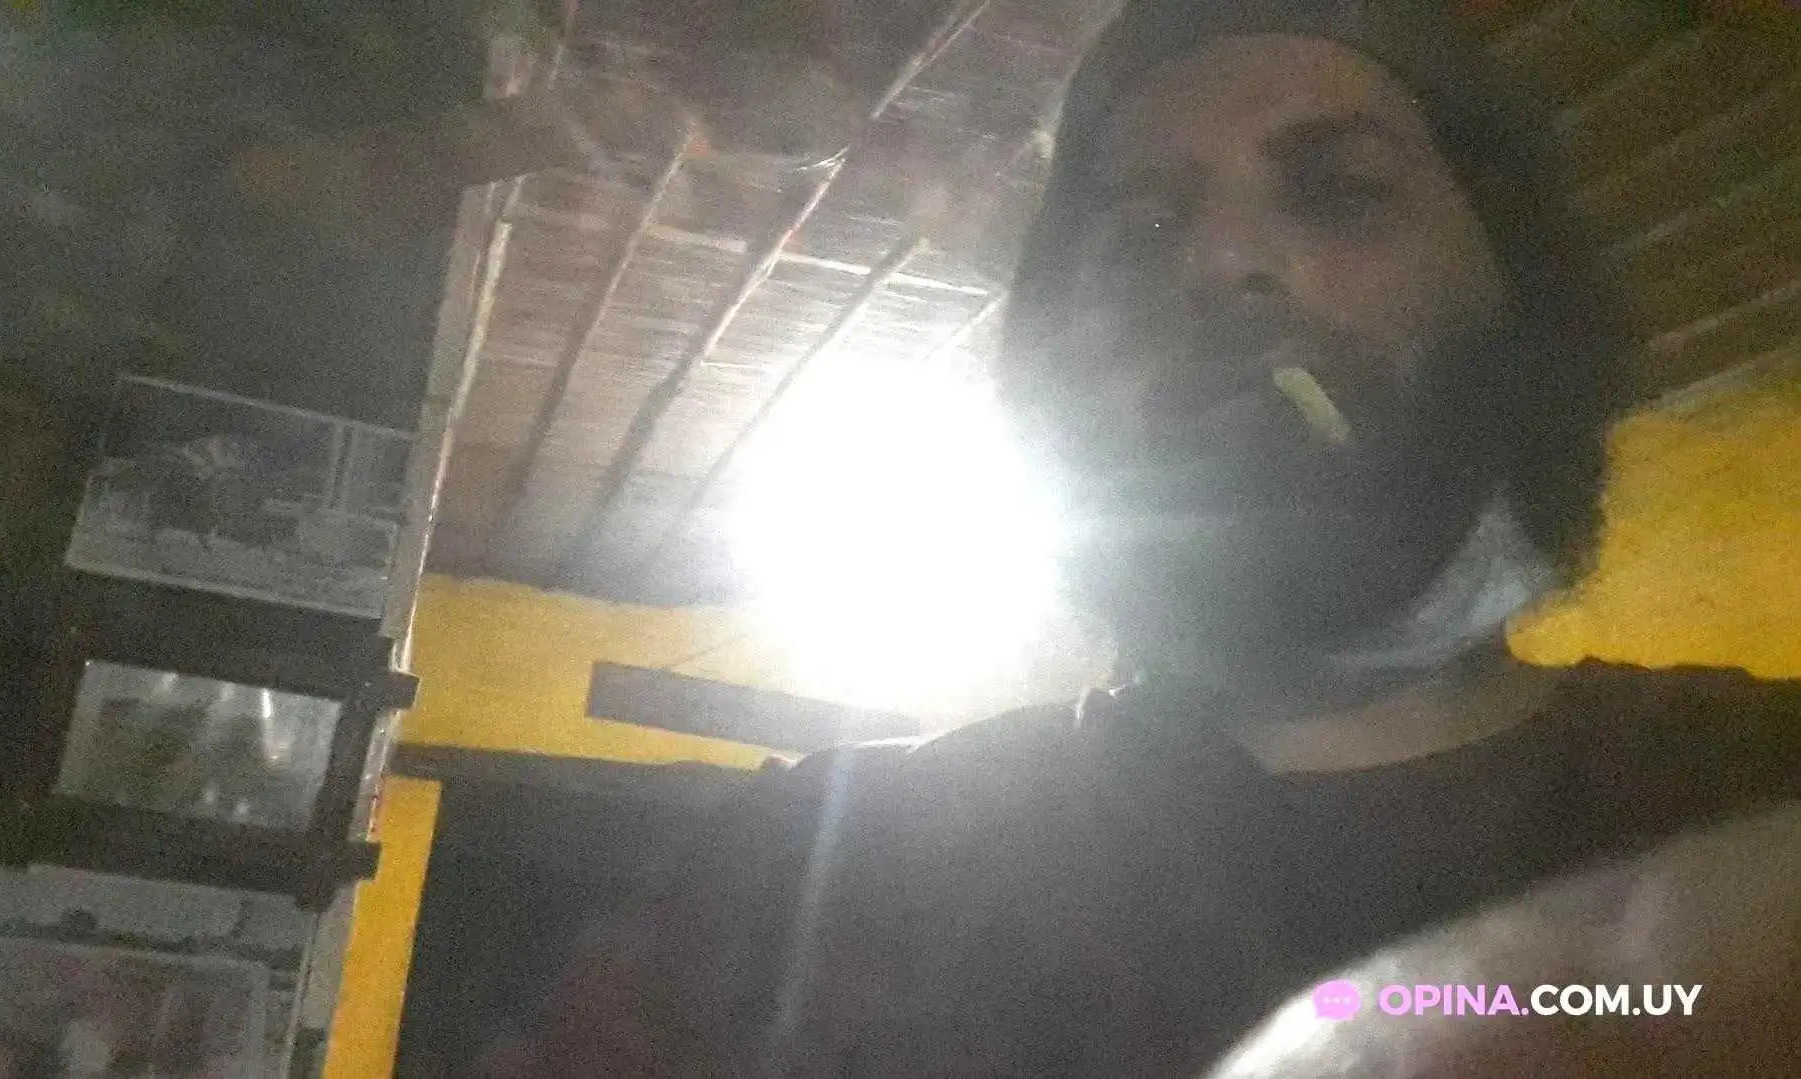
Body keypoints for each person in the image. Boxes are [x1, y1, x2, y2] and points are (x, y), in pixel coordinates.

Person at [512, 2, 1801, 1074]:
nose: (1224, 260)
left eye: (1343, 195)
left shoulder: (1756, 809)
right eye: (1141, 230)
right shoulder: (800, 889)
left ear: (1514, 298)